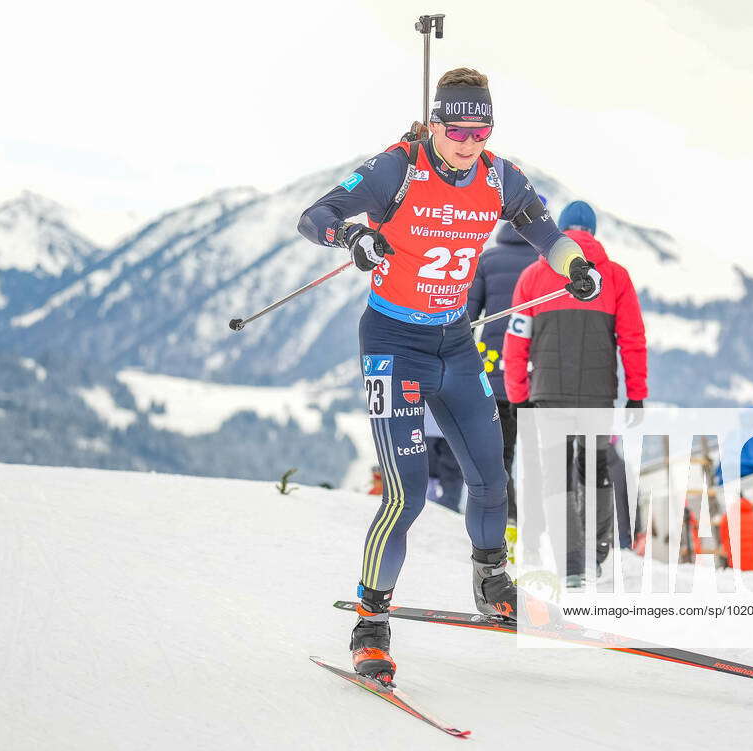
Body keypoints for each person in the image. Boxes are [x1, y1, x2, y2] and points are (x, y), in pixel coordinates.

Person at [297, 67, 603, 681]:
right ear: (435, 122)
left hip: (455, 344)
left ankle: (493, 585)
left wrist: (576, 265)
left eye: (480, 127)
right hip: (392, 343)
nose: (468, 140)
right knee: (407, 494)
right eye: (457, 127)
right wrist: (353, 236)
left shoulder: (498, 176)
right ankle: (370, 622)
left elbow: (544, 231)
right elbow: (315, 215)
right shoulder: (398, 169)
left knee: (491, 479)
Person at [502, 208, 647, 584]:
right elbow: (632, 340)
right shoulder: (615, 277)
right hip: (598, 397)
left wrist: (517, 396)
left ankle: (572, 565)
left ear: (560, 232)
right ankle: (596, 556)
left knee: (557, 477)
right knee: (598, 472)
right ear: (594, 233)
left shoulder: (533, 276)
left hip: (547, 397)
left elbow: (516, 341)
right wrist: (636, 395)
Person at [467, 198, 549, 544]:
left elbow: (468, 317)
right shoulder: (548, 265)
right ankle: (538, 526)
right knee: (540, 455)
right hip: (540, 376)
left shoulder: (488, 259)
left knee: (501, 455)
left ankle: (508, 518)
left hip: (496, 375)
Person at [424, 409, 464, 512]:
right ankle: (429, 500)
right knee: (427, 464)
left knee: (452, 467)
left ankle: (450, 503)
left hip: (454, 421)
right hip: (426, 420)